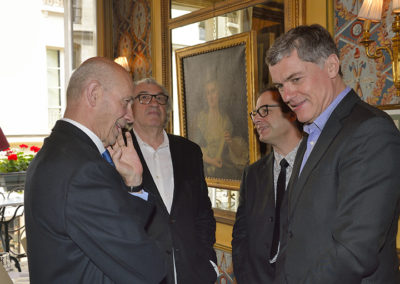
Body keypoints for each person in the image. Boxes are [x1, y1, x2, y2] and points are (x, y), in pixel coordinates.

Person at [266, 24, 400, 283]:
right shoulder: (312, 133)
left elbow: (355, 251)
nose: (287, 96)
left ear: (331, 66)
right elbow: (292, 233)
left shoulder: (371, 131)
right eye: (280, 86)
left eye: (295, 79)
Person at [24, 57, 165, 284]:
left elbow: (108, 236)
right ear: (94, 94)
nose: (130, 115)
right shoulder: (83, 169)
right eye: (126, 102)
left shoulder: (54, 153)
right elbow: (147, 266)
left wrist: (133, 183)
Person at [128, 77, 218, 284]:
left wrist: (207, 261)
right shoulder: (117, 151)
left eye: (159, 98)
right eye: (144, 98)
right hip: (141, 273)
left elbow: (203, 211)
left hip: (193, 272)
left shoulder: (189, 151)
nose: (153, 103)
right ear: (129, 107)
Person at [232, 87, 304, 283]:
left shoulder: (317, 163)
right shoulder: (252, 173)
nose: (256, 119)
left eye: (265, 111)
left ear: (291, 113)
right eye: (254, 113)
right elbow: (241, 234)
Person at [192, 80, 248, 180]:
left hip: (223, 166)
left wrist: (230, 142)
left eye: (213, 91)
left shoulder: (226, 120)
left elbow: (237, 152)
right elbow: (194, 147)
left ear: (219, 94)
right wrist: (211, 161)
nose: (211, 96)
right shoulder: (201, 118)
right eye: (208, 93)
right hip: (205, 165)